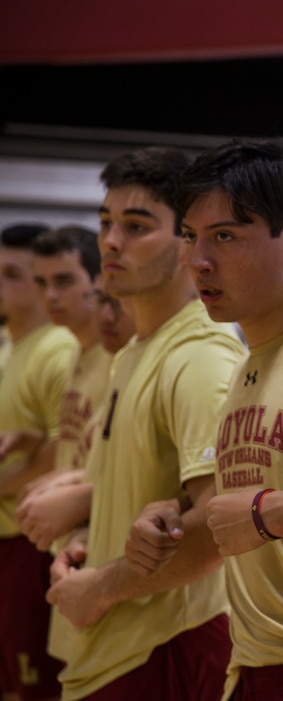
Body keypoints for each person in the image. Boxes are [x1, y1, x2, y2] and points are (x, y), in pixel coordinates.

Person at [125, 136, 283, 701]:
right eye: (191, 237)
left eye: (225, 237)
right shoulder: (243, 367)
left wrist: (264, 513)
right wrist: (176, 508)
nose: (198, 261)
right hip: (252, 664)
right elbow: (257, 488)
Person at [46, 146, 245, 700]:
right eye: (106, 222)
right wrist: (91, 538)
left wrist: (101, 589)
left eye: (137, 227)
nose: (110, 242)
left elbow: (214, 531)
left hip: (165, 646)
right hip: (115, 647)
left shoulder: (201, 356)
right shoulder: (136, 350)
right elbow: (148, 493)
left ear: (189, 243)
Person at [0, 223, 79, 701]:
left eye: (12, 274)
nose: (1, 284)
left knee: (35, 686)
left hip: (32, 543)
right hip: (7, 539)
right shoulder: (9, 347)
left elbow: (63, 447)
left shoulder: (57, 348)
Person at [15, 227, 111, 553]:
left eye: (64, 281)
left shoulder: (116, 358)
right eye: (42, 283)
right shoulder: (73, 352)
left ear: (99, 280)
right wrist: (33, 439)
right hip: (67, 540)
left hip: (103, 541)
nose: (50, 296)